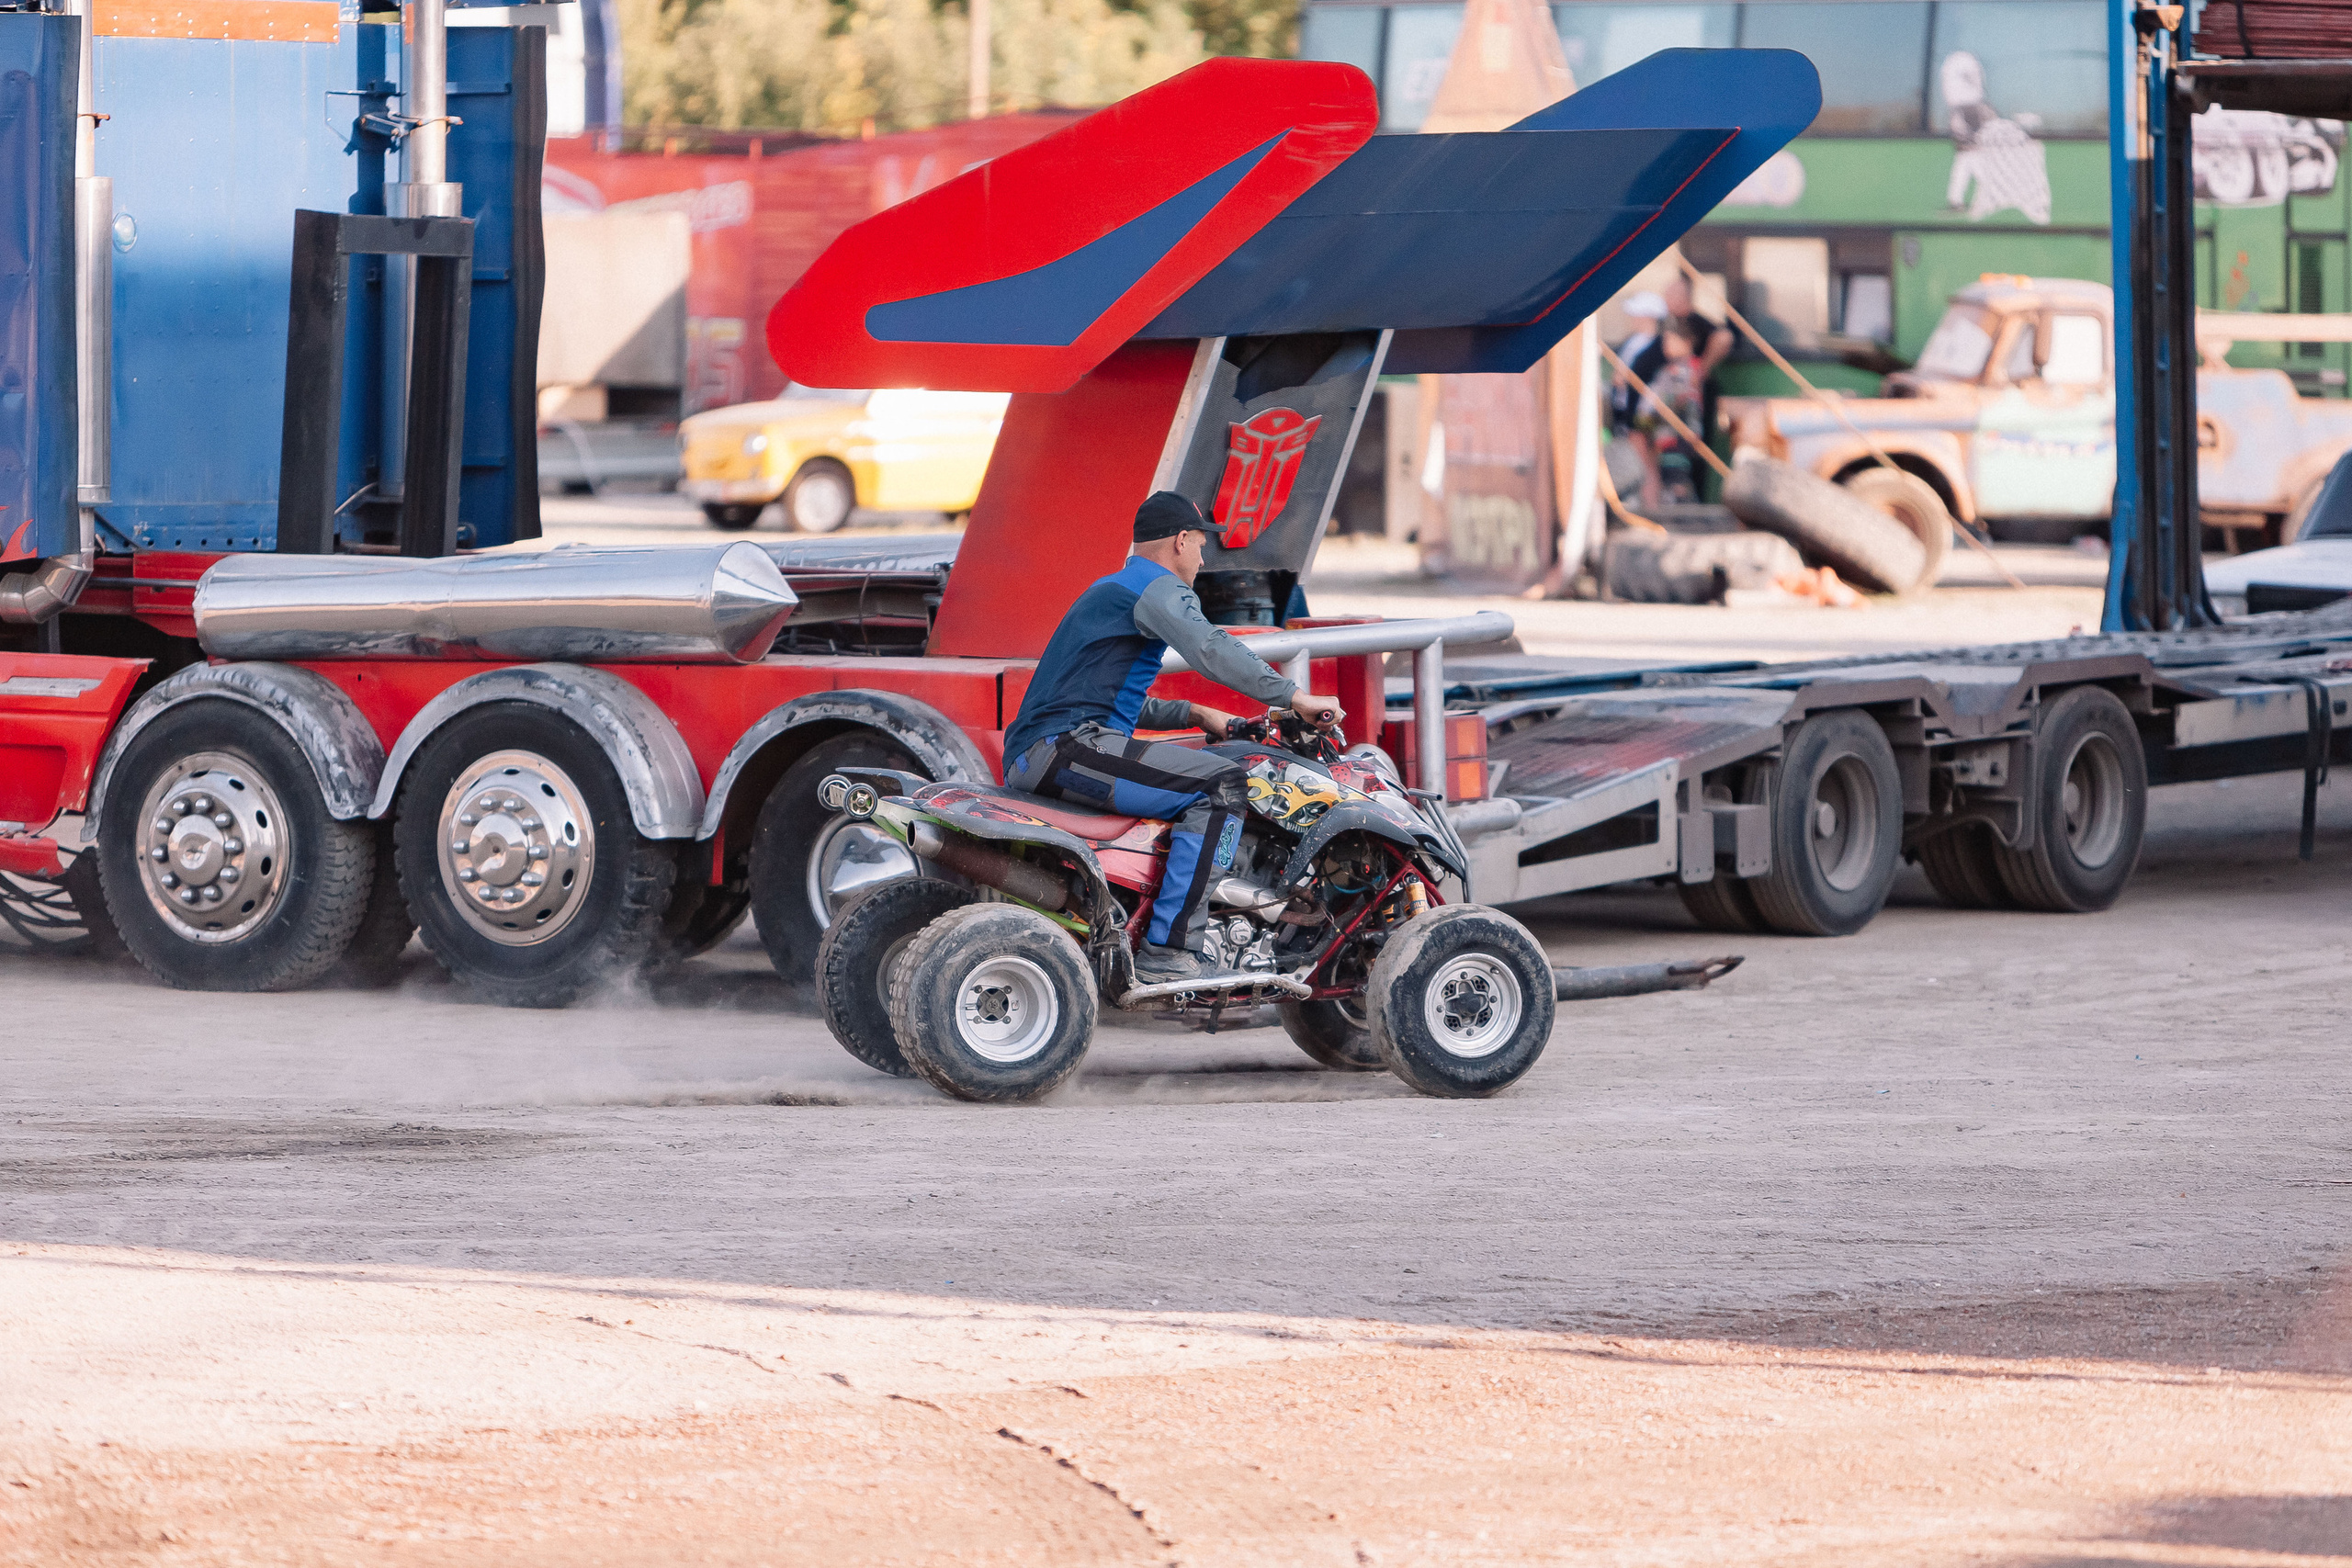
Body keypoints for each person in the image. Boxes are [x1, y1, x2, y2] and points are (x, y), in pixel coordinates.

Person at [1001, 491, 1346, 987]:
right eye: (1201, 546)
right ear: (1180, 540)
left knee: (1203, 769)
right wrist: (1295, 697)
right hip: (1064, 750)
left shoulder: (1114, 587)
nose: (1203, 561)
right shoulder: (1157, 586)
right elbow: (1209, 647)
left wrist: (1199, 713)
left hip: (1050, 749)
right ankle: (1170, 946)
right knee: (1222, 786)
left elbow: (1111, 699)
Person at [1609, 290, 1671, 509]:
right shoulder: (1645, 343)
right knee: (1647, 458)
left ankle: (1648, 504)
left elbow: (1623, 378)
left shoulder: (1649, 344)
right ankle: (1651, 502)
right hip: (1640, 410)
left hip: (1640, 411)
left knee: (1641, 456)